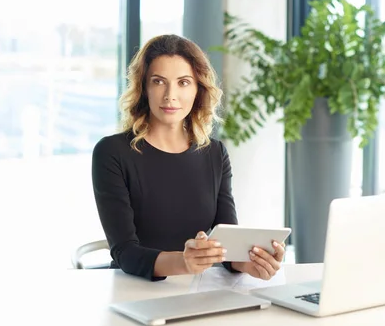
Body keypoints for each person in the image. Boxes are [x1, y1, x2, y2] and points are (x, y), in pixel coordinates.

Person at [91, 34, 285, 281]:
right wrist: (184, 262)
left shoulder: (215, 153)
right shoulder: (112, 152)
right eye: (159, 81)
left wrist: (250, 264)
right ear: (144, 88)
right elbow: (124, 252)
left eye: (183, 82)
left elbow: (226, 242)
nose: (170, 95)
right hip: (134, 292)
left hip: (197, 293)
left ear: (198, 89)